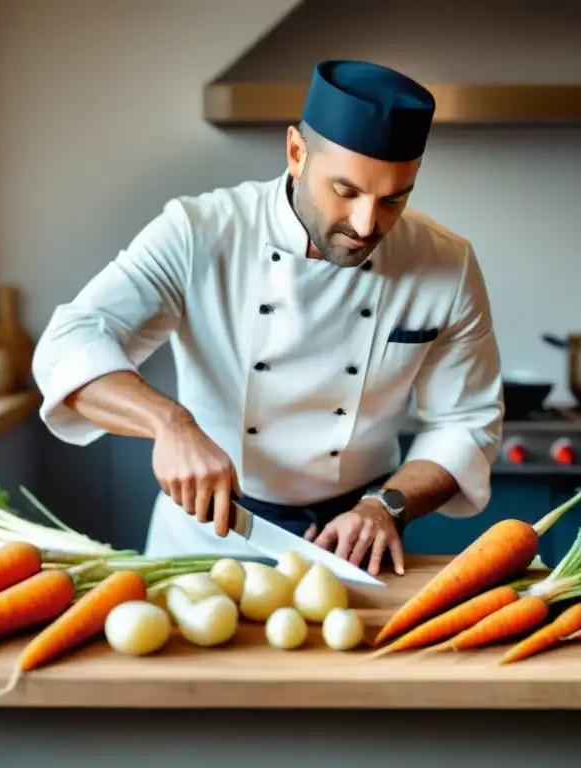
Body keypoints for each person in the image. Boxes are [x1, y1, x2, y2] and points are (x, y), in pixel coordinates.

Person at [31, 59, 504, 577]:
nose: (367, 225)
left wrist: (384, 506)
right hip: (202, 538)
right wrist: (169, 424)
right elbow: (67, 343)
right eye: (345, 191)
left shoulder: (445, 263)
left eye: (393, 200)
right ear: (297, 153)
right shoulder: (200, 232)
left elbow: (465, 423)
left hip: (349, 546)